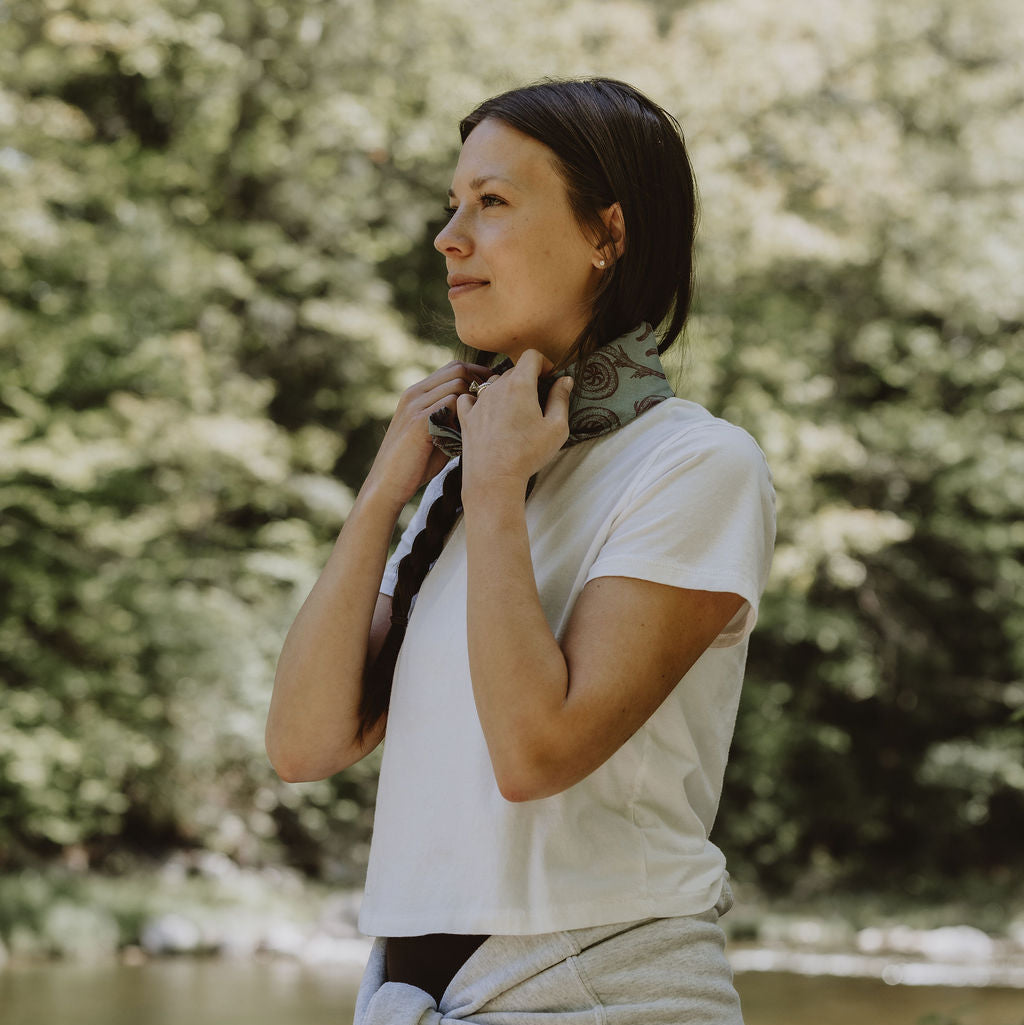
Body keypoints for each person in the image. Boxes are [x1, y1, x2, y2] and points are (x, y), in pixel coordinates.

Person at [266, 77, 775, 1024]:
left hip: (605, 991)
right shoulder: (466, 483)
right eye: (452, 205)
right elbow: (302, 745)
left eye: (492, 202)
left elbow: (536, 751)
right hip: (407, 993)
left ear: (606, 236)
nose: (448, 236)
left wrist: (495, 489)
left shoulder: (697, 465)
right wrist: (385, 492)